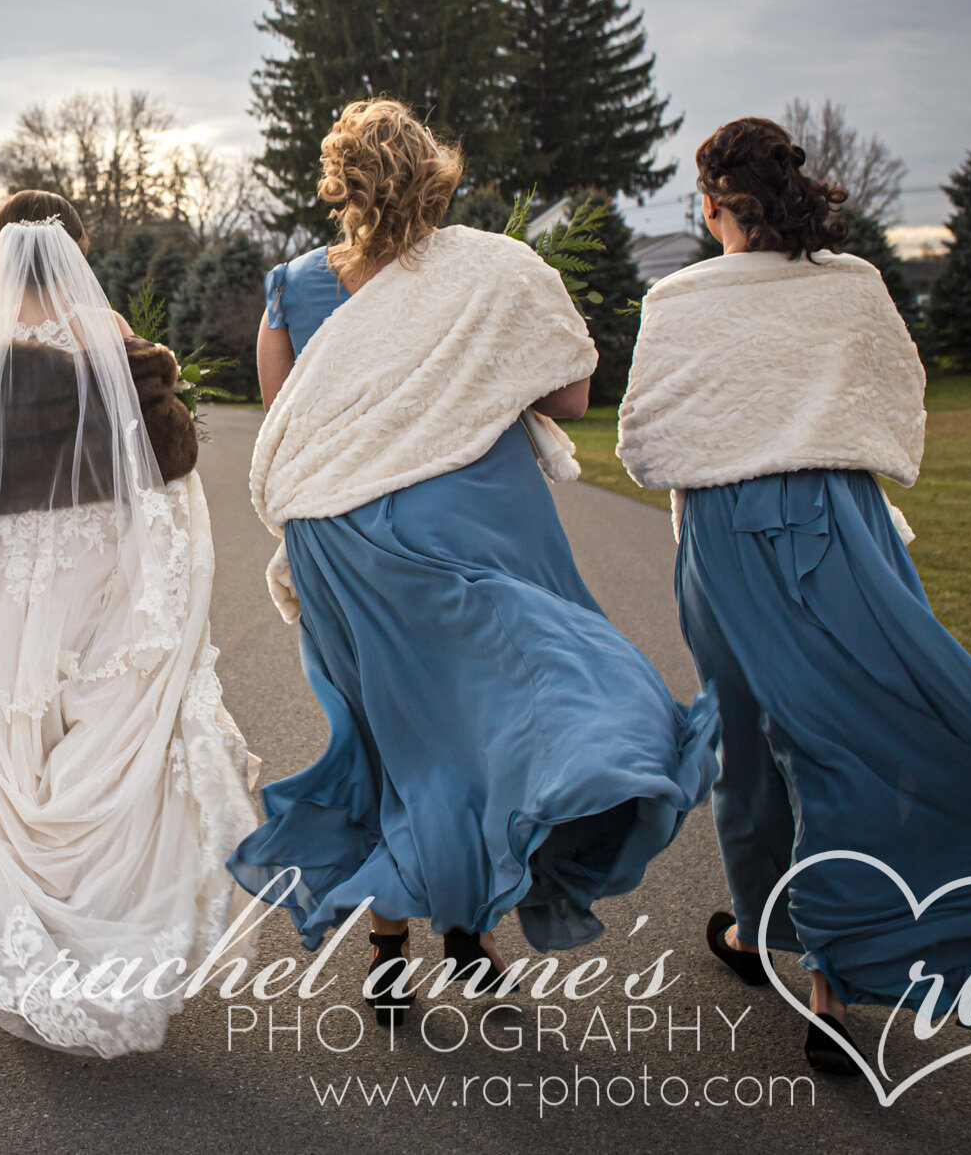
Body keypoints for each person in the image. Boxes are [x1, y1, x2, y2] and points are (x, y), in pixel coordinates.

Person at [618, 115, 971, 1074]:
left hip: (726, 537)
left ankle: (792, 941)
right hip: (837, 523)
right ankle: (809, 959)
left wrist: (739, 447)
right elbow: (896, 402)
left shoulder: (676, 300)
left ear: (710, 204)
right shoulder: (852, 286)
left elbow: (644, 442)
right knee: (850, 733)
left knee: (749, 739)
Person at [229, 99, 718, 1013]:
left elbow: (287, 420)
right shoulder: (493, 270)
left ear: (340, 184)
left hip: (341, 539)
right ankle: (468, 932)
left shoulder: (291, 284)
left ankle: (386, 951)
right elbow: (570, 398)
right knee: (496, 719)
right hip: (468, 517)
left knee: (385, 728)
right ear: (434, 177)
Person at [0, 189, 259, 1057]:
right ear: (79, 252)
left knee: (9, 738)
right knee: (103, 733)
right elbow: (169, 457)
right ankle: (108, 917)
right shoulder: (111, 334)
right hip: (98, 565)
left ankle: (32, 924)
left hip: (1, 574)